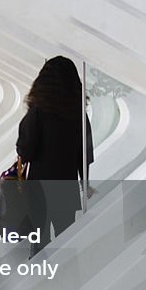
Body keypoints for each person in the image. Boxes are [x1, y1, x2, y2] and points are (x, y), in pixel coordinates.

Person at [15, 56, 92, 252]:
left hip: (39, 188)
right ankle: (67, 278)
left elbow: (26, 151)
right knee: (66, 242)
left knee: (39, 241)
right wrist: (85, 183)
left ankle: (41, 278)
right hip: (66, 189)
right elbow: (85, 155)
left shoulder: (37, 113)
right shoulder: (78, 115)